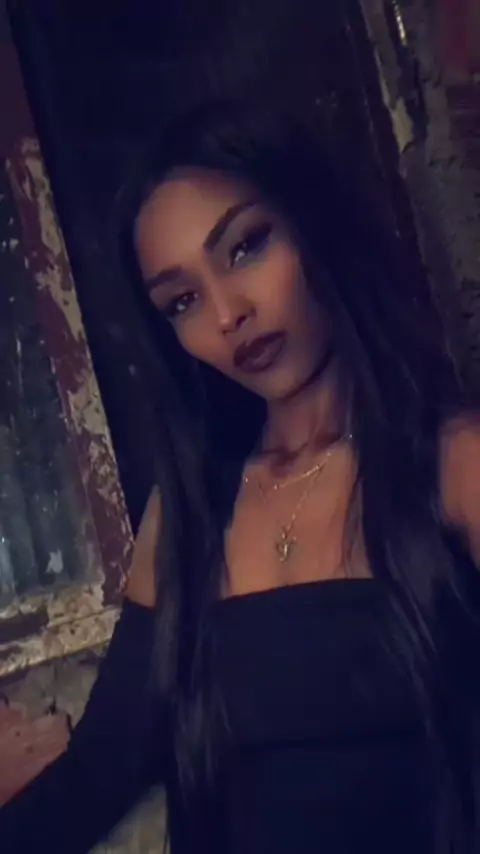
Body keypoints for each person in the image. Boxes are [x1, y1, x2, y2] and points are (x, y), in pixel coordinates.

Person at [1, 99, 480, 854]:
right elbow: (96, 778)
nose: (227, 315)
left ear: (313, 225)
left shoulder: (454, 465)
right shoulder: (188, 514)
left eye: (247, 246)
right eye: (182, 301)